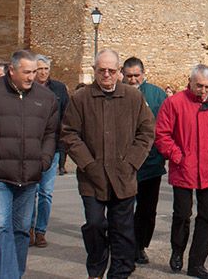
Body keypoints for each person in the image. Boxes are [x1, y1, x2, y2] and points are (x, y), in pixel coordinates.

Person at [0, 50, 60, 279]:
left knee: (22, 229)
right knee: (2, 226)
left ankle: (15, 273)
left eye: (34, 72)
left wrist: (43, 161)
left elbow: (51, 133)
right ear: (11, 71)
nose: (31, 77)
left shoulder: (45, 98)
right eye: (26, 72)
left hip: (29, 176)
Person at [61, 49, 155, 279]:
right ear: (94, 71)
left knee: (122, 230)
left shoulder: (133, 98)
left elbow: (147, 131)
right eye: (101, 70)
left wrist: (131, 162)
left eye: (111, 71)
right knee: (94, 224)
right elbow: (69, 133)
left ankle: (119, 273)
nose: (106, 75)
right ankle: (96, 268)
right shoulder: (80, 99)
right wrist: (88, 164)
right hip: (92, 177)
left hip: (124, 176)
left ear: (119, 72)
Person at [155, 64, 208, 279]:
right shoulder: (174, 103)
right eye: (199, 86)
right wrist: (177, 155)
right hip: (184, 169)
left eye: (207, 86)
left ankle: (197, 262)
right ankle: (177, 250)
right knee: (182, 215)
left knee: (206, 218)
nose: (203, 90)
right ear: (190, 82)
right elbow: (162, 134)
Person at [120, 56, 168, 265]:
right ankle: (126, 246)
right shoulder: (116, 94)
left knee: (148, 210)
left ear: (143, 74)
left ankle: (140, 245)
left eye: (136, 76)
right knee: (123, 209)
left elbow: (166, 126)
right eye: (128, 76)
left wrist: (163, 153)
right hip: (124, 165)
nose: (132, 80)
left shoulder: (157, 95)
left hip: (151, 163)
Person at [30, 54, 70, 247]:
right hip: (31, 148)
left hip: (52, 147)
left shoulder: (59, 89)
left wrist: (63, 144)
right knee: (31, 190)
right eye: (39, 69)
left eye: (46, 69)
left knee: (46, 192)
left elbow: (67, 117)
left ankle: (40, 230)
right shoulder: (27, 89)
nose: (43, 72)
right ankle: (28, 227)